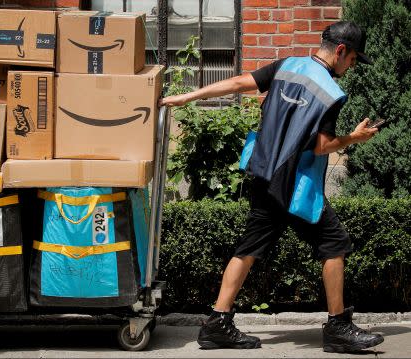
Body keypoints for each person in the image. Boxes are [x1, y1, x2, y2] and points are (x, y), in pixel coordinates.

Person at [159, 21, 384, 353]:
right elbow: (321, 146)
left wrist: (188, 96)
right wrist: (355, 137)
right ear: (340, 51)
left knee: (249, 248)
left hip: (263, 173)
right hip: (294, 184)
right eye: (352, 59)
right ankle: (338, 328)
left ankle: (216, 324)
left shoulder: (287, 65)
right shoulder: (331, 93)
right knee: (335, 243)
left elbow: (238, 82)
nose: (351, 67)